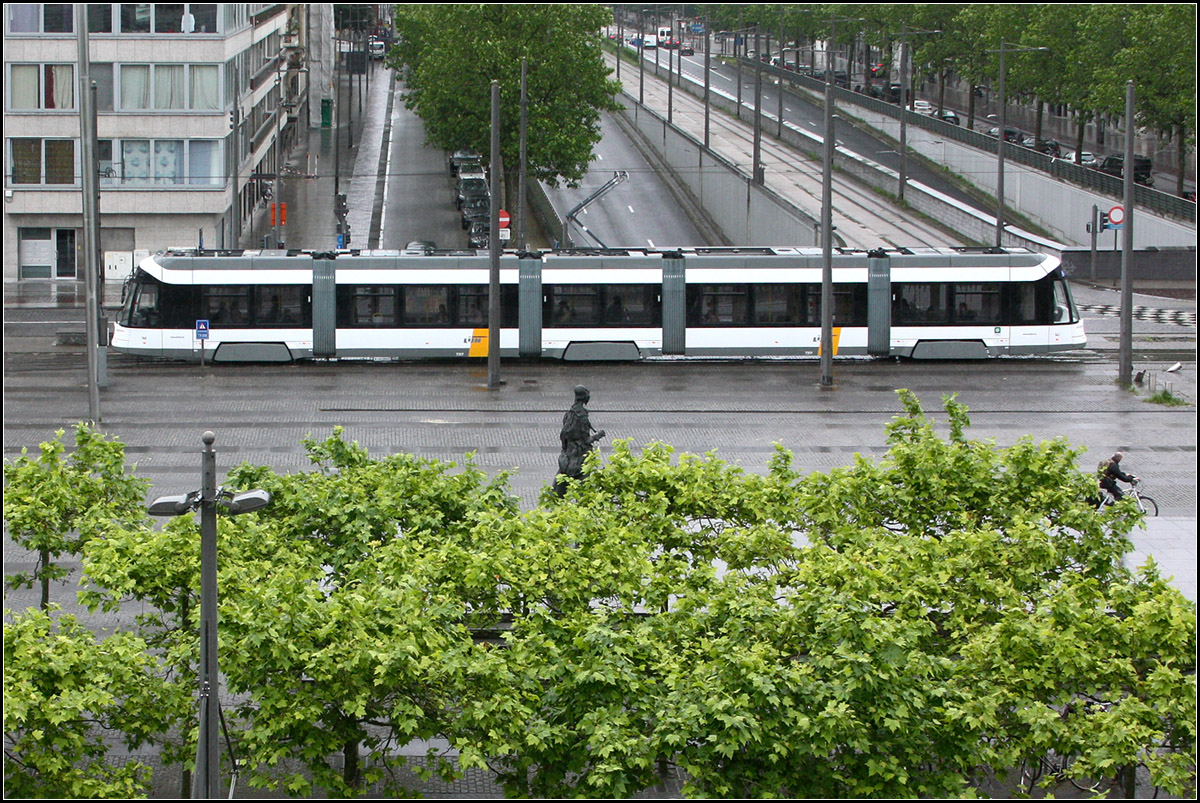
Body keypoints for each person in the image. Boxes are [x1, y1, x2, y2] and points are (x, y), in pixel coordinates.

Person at [554, 385, 605, 496]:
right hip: (580, 458)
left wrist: (565, 449)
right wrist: (598, 436)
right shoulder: (582, 417)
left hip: (567, 456)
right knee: (584, 491)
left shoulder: (569, 413)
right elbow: (586, 440)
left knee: (558, 489)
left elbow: (563, 435)